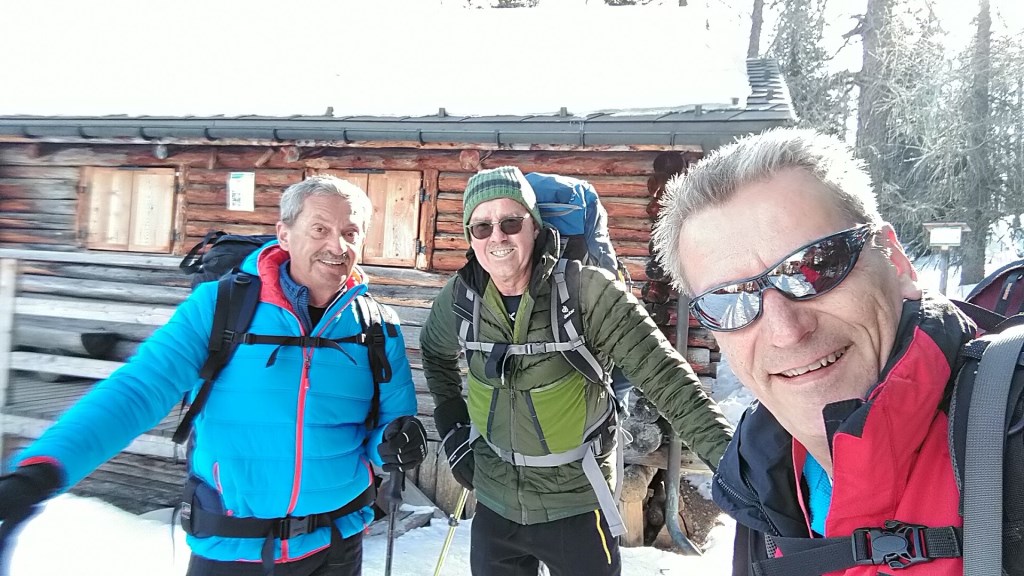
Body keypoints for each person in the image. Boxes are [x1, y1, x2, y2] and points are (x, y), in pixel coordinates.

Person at [0, 175, 426, 576]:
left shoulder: (378, 326)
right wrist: (43, 470)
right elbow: (138, 391)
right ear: (284, 234)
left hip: (337, 547)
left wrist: (395, 444)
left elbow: (389, 428)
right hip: (233, 546)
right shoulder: (220, 307)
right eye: (320, 229)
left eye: (351, 232)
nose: (337, 245)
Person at [652, 127, 976, 575]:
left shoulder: (1009, 442)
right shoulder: (765, 490)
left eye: (816, 267)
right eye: (729, 301)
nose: (786, 331)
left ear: (896, 262)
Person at [419, 165, 733, 576]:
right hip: (495, 503)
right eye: (482, 227)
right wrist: (453, 429)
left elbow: (669, 381)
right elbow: (434, 353)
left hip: (577, 503)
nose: (497, 236)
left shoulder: (588, 292)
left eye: (511, 222)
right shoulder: (461, 298)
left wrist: (737, 469)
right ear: (470, 237)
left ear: (534, 227)